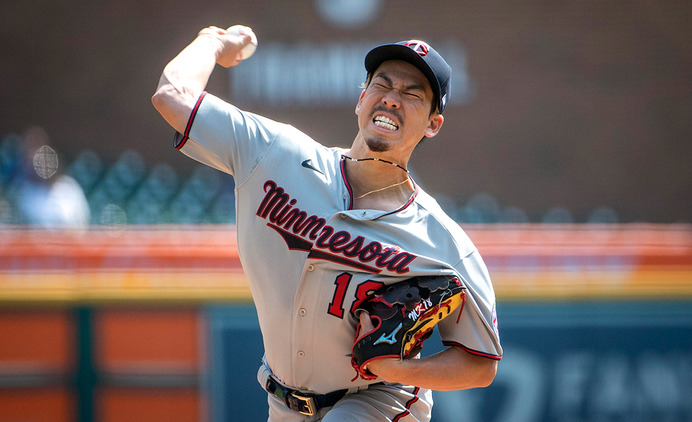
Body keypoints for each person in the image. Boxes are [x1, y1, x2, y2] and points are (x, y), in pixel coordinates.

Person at [152, 25, 502, 421]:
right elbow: (172, 97)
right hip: (281, 401)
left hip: (378, 399)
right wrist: (213, 42)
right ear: (361, 99)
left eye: (412, 94)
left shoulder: (442, 242)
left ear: (433, 124)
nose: (391, 99)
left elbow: (481, 363)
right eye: (382, 85)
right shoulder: (274, 155)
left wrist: (402, 370)